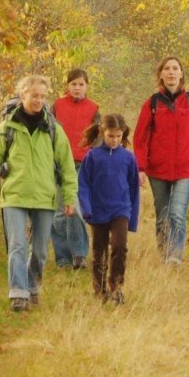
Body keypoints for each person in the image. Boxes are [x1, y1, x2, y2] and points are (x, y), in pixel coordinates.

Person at [0, 74, 79, 313]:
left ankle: (32, 286)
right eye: (34, 95)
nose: (38, 100)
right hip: (14, 196)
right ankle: (18, 292)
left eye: (43, 97)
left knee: (39, 249)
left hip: (44, 197)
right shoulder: (6, 128)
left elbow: (67, 166)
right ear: (22, 95)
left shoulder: (54, 129)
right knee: (17, 245)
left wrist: (69, 197)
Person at [134, 56, 189, 264]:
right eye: (167, 69)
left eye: (175, 69)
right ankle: (164, 255)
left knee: (177, 213)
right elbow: (140, 137)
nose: (171, 72)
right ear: (161, 74)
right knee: (163, 216)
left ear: (181, 74)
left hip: (186, 169)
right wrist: (140, 168)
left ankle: (174, 258)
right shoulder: (152, 103)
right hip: (158, 169)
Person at [76, 113, 139, 303]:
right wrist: (86, 209)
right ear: (103, 133)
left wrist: (132, 219)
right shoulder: (92, 156)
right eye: (111, 136)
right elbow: (83, 184)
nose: (115, 140)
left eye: (119, 136)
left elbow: (134, 189)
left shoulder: (128, 158)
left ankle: (116, 286)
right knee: (99, 252)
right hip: (97, 211)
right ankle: (100, 290)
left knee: (120, 246)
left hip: (120, 209)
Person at [52, 68, 100, 271]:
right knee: (58, 212)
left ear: (86, 86)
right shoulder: (57, 106)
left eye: (81, 84)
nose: (77, 88)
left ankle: (79, 254)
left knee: (75, 208)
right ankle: (62, 258)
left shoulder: (94, 108)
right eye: (74, 84)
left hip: (82, 164)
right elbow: (49, 132)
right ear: (67, 86)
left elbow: (98, 138)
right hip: (57, 164)